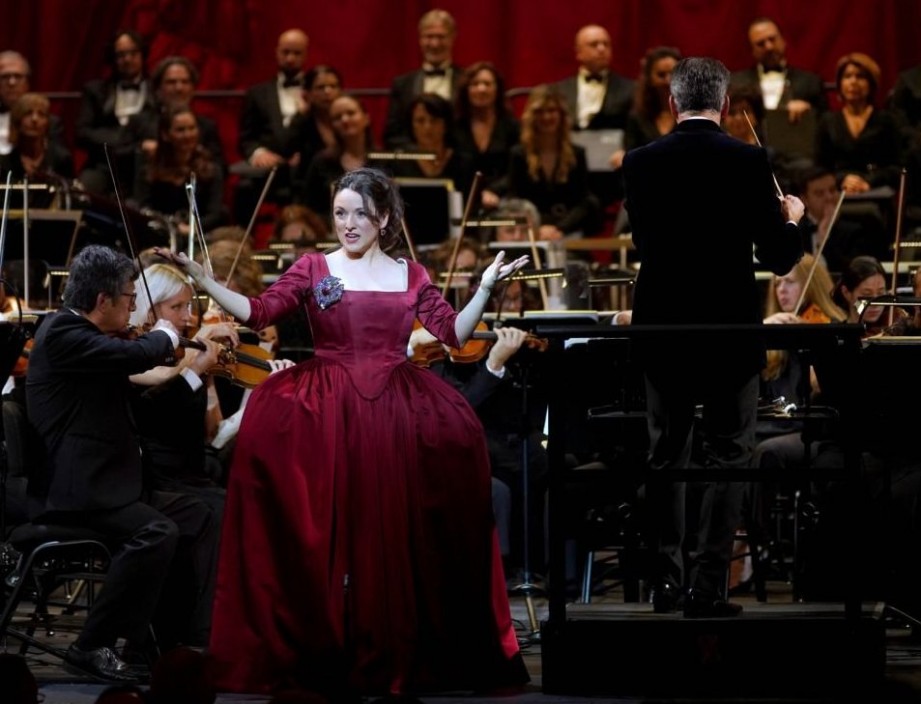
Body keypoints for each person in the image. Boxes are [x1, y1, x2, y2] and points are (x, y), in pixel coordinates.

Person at [155, 167, 530, 698]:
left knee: (388, 534)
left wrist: (486, 288)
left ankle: (389, 644)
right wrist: (203, 277)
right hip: (327, 411)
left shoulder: (411, 274)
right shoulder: (314, 267)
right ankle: (330, 642)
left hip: (393, 413)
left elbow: (452, 333)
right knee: (330, 532)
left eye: (358, 213)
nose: (347, 224)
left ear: (382, 218)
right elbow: (260, 310)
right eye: (339, 213)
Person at [621, 57, 805, 618]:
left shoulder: (640, 162)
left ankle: (665, 585)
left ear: (673, 103)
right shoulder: (748, 159)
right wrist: (791, 217)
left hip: (664, 329)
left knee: (665, 457)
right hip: (727, 331)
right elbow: (778, 259)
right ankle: (708, 587)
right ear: (725, 105)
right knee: (729, 456)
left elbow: (648, 245)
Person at [24, 244, 222, 680]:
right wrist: (166, 334)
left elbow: (134, 362)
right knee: (156, 531)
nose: (135, 307)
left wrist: (168, 352)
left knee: (199, 514)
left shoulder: (92, 339)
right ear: (103, 301)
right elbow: (132, 357)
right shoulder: (62, 333)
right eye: (131, 298)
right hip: (76, 489)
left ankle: (176, 640)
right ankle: (91, 644)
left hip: (112, 482)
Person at [553, 24, 634, 207]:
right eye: (594, 44)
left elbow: (636, 128)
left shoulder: (631, 89)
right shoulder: (558, 90)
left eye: (606, 44)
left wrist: (627, 151)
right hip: (568, 170)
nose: (601, 49)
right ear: (578, 52)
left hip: (612, 171)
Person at [507, 85, 602, 240]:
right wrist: (538, 227)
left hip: (568, 230)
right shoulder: (518, 154)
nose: (546, 117)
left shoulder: (577, 153)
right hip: (530, 232)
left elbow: (584, 201)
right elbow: (515, 199)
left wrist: (560, 228)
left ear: (562, 115)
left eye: (551, 111)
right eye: (540, 112)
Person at [234, 28, 310, 222]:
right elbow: (246, 138)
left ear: (306, 54)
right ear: (276, 52)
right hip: (267, 170)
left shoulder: (315, 91)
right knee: (244, 188)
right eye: (286, 52)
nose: (290, 58)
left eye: (296, 53)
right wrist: (259, 153)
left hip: (305, 168)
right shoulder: (257, 93)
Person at [75, 30, 157, 196]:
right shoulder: (95, 91)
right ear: (112, 58)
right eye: (121, 54)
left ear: (143, 54)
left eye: (133, 53)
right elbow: (82, 133)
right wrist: (125, 142)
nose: (127, 59)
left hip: (145, 167)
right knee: (81, 192)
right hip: (104, 164)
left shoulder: (158, 91)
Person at [132, 104, 227, 235]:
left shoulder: (211, 168)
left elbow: (215, 214)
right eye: (180, 130)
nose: (188, 135)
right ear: (165, 134)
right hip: (159, 233)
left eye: (192, 128)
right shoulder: (149, 169)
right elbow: (143, 208)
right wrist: (170, 227)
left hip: (200, 235)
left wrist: (191, 229)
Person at [383, 8, 463, 149]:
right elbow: (393, 135)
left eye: (441, 37)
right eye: (429, 37)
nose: (434, 44)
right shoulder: (402, 84)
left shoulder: (466, 81)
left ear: (453, 38)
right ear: (420, 39)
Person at [729, 17, 827, 123]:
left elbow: (825, 123)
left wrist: (809, 111)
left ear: (783, 40)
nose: (769, 47)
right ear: (752, 50)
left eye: (772, 39)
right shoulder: (736, 83)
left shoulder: (810, 82)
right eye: (761, 44)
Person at [795, 165, 888, 275]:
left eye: (832, 190)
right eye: (820, 193)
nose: (829, 197)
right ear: (804, 200)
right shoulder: (794, 231)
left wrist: (825, 240)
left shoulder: (859, 229)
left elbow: (853, 274)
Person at [140, 56, 225, 173]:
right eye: (171, 82)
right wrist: (141, 149)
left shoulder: (207, 126)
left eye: (185, 82)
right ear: (158, 89)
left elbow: (220, 168)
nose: (179, 88)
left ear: (193, 88)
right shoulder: (141, 122)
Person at [452, 61, 521, 207]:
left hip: (503, 199)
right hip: (461, 200)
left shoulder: (512, 127)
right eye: (475, 84)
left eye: (487, 84)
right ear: (466, 90)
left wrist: (493, 191)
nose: (481, 89)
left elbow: (517, 170)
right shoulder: (453, 127)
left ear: (497, 89)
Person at [0, 92, 74, 209]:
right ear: (17, 121)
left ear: (48, 123)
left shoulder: (61, 159)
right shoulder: (4, 164)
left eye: (41, 114)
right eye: (28, 113)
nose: (35, 119)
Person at [0, 50, 65, 155]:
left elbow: (59, 159)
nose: (11, 83)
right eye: (5, 77)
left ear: (27, 83)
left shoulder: (48, 122)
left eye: (18, 76)